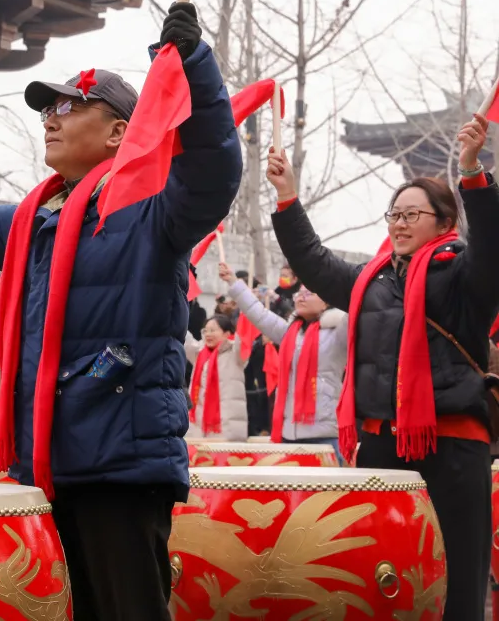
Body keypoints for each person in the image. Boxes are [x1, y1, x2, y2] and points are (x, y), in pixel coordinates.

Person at [0, 0, 240, 620]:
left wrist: (194, 67)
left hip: (121, 466)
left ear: (118, 133)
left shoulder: (154, 211)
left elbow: (214, 170)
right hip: (50, 460)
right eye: (48, 109)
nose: (50, 120)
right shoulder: (37, 221)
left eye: (69, 106)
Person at [266, 112, 498, 620]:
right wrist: (287, 198)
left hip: (453, 445)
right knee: (377, 573)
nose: (399, 223)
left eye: (412, 215)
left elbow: (493, 250)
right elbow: (312, 259)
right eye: (394, 214)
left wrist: (472, 171)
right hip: (380, 445)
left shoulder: (463, 277)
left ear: (444, 223)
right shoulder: (368, 281)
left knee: (457, 575)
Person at [220, 261, 347, 457]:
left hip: (325, 435)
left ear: (326, 301)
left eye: (309, 293)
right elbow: (258, 313)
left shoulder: (339, 330)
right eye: (299, 294)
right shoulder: (289, 332)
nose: (301, 297)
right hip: (288, 434)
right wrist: (234, 283)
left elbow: (357, 306)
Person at [183, 315, 248, 441]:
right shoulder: (200, 353)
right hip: (199, 427)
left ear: (227, 333)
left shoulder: (235, 353)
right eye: (205, 330)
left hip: (226, 427)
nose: (208, 334)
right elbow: (186, 340)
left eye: (213, 330)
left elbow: (244, 336)